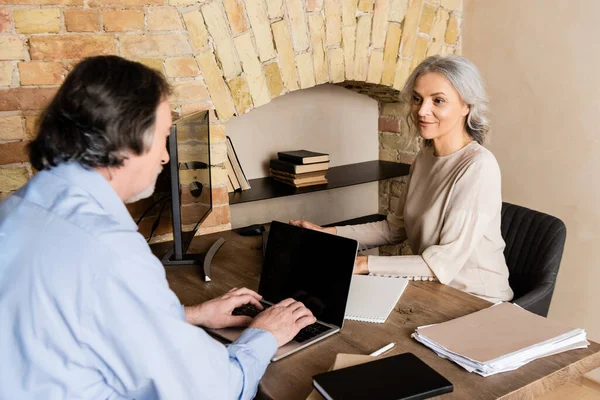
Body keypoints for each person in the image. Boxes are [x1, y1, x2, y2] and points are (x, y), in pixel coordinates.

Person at [0, 55, 316, 399]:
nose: (165, 157)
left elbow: (83, 319)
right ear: (128, 136)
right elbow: (211, 390)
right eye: (164, 137)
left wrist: (191, 315)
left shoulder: (17, 209)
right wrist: (265, 333)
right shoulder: (110, 251)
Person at [291, 54, 514, 303]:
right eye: (418, 99)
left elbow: (441, 264)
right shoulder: (424, 158)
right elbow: (394, 229)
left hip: (476, 300)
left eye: (438, 100)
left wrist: (365, 264)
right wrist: (326, 233)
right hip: (435, 290)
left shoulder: (478, 166)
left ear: (466, 106)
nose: (422, 111)